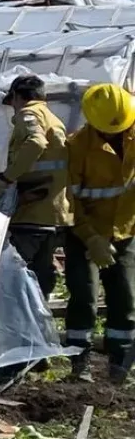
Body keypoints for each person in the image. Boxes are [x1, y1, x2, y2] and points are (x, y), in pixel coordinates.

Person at [64, 82, 135, 383]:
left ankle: (121, 363)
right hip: (86, 232)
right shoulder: (77, 147)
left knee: (126, 296)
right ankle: (79, 361)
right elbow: (70, 199)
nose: (116, 134)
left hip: (127, 230)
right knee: (85, 295)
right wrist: (91, 237)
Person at [0, 74, 73, 299]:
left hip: (32, 211)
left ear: (18, 97)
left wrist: (8, 178)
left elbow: (36, 142)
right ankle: (39, 321)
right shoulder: (53, 119)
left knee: (17, 273)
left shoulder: (29, 114)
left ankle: (18, 324)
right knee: (41, 275)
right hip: (53, 212)